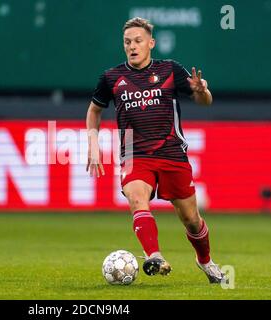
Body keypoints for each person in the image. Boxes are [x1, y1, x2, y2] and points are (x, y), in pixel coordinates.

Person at [86, 17, 226, 284]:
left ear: (151, 43)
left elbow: (204, 102)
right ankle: (154, 256)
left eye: (138, 41)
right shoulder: (111, 77)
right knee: (138, 200)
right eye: (127, 42)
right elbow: (94, 110)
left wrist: (202, 91)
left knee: (191, 219)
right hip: (135, 155)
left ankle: (205, 261)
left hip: (172, 153)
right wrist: (93, 144)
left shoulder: (170, 70)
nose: (132, 46)